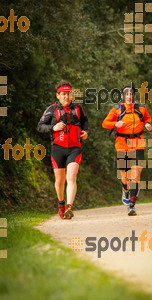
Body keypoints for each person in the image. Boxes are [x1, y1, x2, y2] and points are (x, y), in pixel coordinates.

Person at [37, 80, 88, 219]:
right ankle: (61, 203)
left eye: (69, 94)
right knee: (59, 181)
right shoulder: (51, 109)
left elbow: (85, 121)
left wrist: (85, 131)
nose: (66, 97)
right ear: (58, 95)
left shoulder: (78, 108)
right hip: (57, 148)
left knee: (71, 176)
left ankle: (69, 207)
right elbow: (40, 126)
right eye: (63, 94)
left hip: (75, 148)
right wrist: (53, 128)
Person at [102, 84, 152, 216]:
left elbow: (147, 118)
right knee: (124, 175)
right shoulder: (117, 109)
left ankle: (132, 205)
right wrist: (115, 124)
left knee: (136, 174)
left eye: (131, 94)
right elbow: (104, 123)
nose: (129, 96)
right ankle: (125, 188)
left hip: (138, 143)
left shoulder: (141, 107)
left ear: (134, 95)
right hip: (122, 144)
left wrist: (148, 124)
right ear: (123, 95)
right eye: (126, 94)